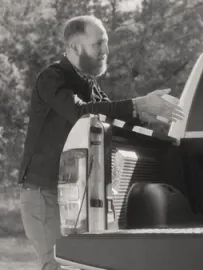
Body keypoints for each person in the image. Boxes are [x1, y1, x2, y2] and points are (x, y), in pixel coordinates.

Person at [18, 15, 184, 270]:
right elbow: (81, 112)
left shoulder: (89, 85)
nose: (106, 51)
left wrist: (143, 115)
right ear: (75, 47)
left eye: (106, 43)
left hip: (78, 198)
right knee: (57, 266)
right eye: (99, 44)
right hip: (43, 195)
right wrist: (137, 105)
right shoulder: (52, 78)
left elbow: (111, 122)